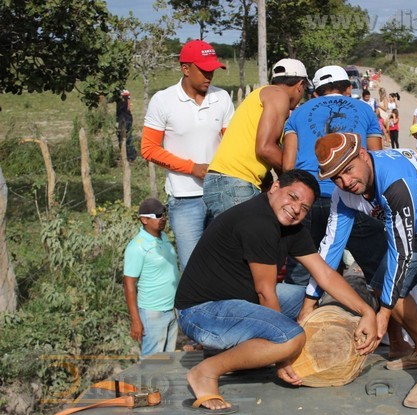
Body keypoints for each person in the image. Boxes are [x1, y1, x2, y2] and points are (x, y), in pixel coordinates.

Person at [305, 132, 417, 408]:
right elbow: (330, 248)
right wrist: (309, 303)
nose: (345, 182)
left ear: (363, 155)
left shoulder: (395, 181)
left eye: (348, 170)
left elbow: (400, 252)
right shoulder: (342, 194)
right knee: (382, 285)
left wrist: (383, 314)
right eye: (336, 178)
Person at [174, 170, 379, 413]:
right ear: (275, 187)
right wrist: (282, 358)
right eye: (292, 197)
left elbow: (324, 273)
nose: (296, 209)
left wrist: (367, 312)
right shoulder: (257, 221)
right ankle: (206, 372)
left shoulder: (291, 227)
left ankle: (251, 350)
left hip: (239, 301)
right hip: (201, 312)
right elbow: (265, 292)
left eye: (304, 207)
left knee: (311, 300)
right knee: (290, 338)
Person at [281, 64, 385, 287]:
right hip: (351, 195)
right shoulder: (365, 109)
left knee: (301, 269)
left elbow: (288, 166)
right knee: (377, 267)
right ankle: (384, 306)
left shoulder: (298, 113)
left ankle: (300, 307)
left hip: (308, 197)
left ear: (315, 93)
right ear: (348, 89)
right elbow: (376, 158)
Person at [141, 40, 234, 268]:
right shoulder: (163, 100)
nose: (209, 75)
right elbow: (148, 148)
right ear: (185, 69)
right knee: (193, 268)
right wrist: (192, 168)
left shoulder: (222, 97)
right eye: (204, 70)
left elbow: (232, 143)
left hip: (220, 194)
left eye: (212, 70)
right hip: (184, 199)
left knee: (224, 264)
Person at [202, 58, 310, 219]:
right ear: (300, 85)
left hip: (225, 181)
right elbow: (265, 148)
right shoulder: (278, 95)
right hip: (236, 183)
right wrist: (295, 177)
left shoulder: (261, 95)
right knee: (245, 234)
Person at [123, 198, 180, 358]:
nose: (163, 218)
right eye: (158, 215)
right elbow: (129, 285)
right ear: (144, 219)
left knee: (168, 360)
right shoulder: (137, 247)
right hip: (153, 313)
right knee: (151, 363)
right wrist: (136, 320)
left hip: (172, 309)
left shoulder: (164, 238)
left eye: (164, 214)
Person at [116, 89, 136, 162]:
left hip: (124, 119)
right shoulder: (125, 99)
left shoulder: (123, 100)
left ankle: (130, 156)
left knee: (125, 138)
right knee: (126, 138)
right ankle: (127, 155)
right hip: (126, 118)